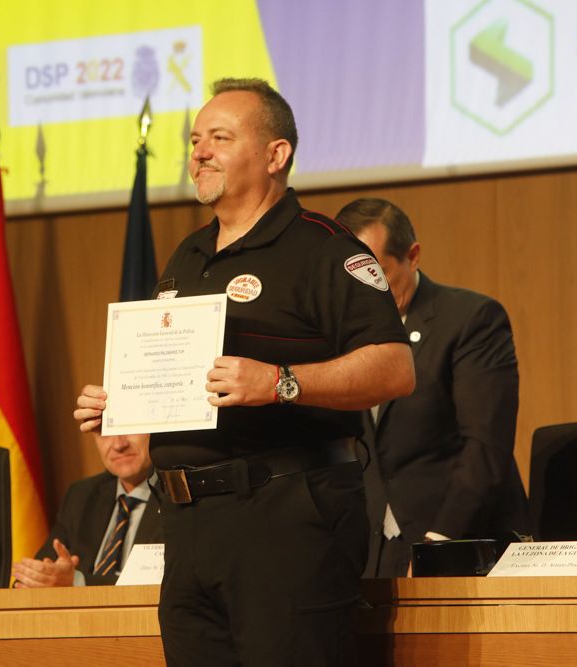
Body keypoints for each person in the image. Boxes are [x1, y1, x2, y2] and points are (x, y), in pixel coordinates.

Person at [74, 79, 414, 666]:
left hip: (285, 520)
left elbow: (395, 366)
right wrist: (124, 401)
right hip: (186, 525)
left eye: (220, 138)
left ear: (276, 155)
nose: (199, 152)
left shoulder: (324, 249)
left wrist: (280, 382)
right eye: (195, 140)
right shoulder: (188, 255)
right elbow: (177, 374)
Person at [336, 198, 531, 577]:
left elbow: (485, 446)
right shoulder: (340, 333)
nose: (367, 296)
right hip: (372, 557)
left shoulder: (471, 320)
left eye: (380, 279)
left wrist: (438, 546)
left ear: (413, 256)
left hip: (460, 547)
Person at [11, 433, 161, 587]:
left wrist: (77, 581)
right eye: (104, 432)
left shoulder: (180, 496)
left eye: (129, 428)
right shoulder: (82, 495)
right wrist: (38, 577)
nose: (118, 445)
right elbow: (37, 574)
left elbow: (165, 585)